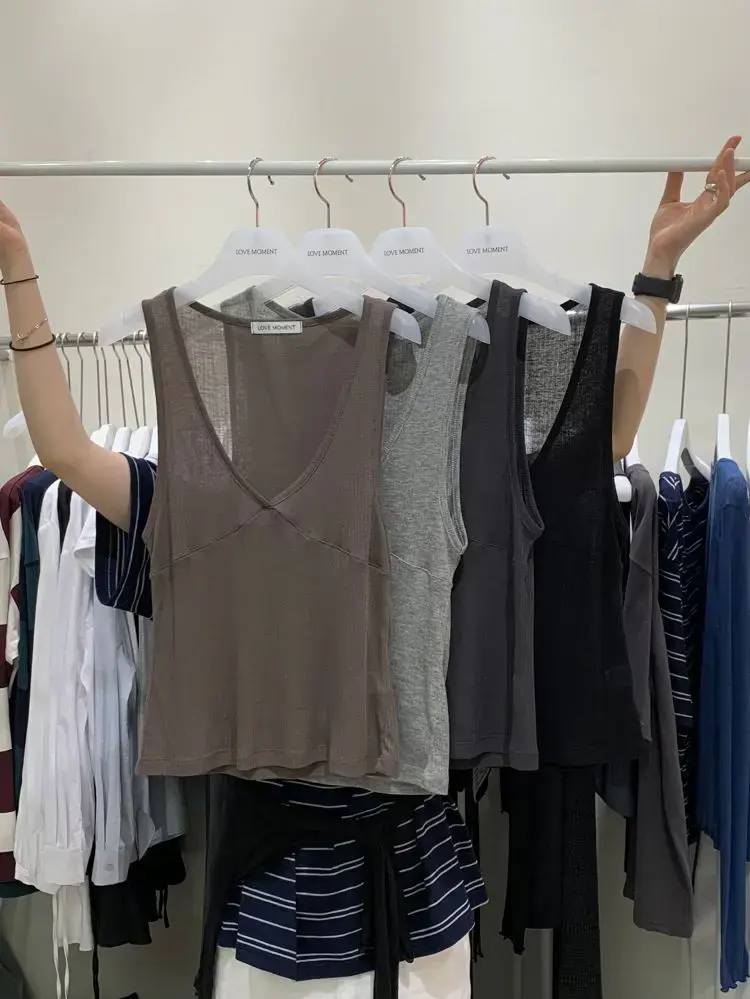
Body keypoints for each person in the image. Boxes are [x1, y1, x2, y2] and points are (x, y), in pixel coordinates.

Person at [0, 137, 747, 999]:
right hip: (279, 886)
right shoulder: (196, 494)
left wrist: (657, 269)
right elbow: (64, 449)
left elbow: (601, 440)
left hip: (418, 870)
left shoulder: (419, 462)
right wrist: (20, 271)